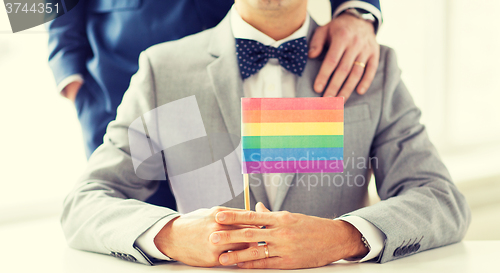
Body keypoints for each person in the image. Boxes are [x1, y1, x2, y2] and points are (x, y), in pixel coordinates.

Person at [62, 0, 470, 269]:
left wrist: (344, 237)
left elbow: (441, 200)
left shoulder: (372, 69)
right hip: (124, 86)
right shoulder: (160, 70)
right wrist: (67, 69)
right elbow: (86, 204)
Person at [48, 0, 382, 158]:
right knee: (131, 237)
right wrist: (68, 73)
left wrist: (358, 10)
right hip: (118, 91)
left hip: (257, 74)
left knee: (280, 224)